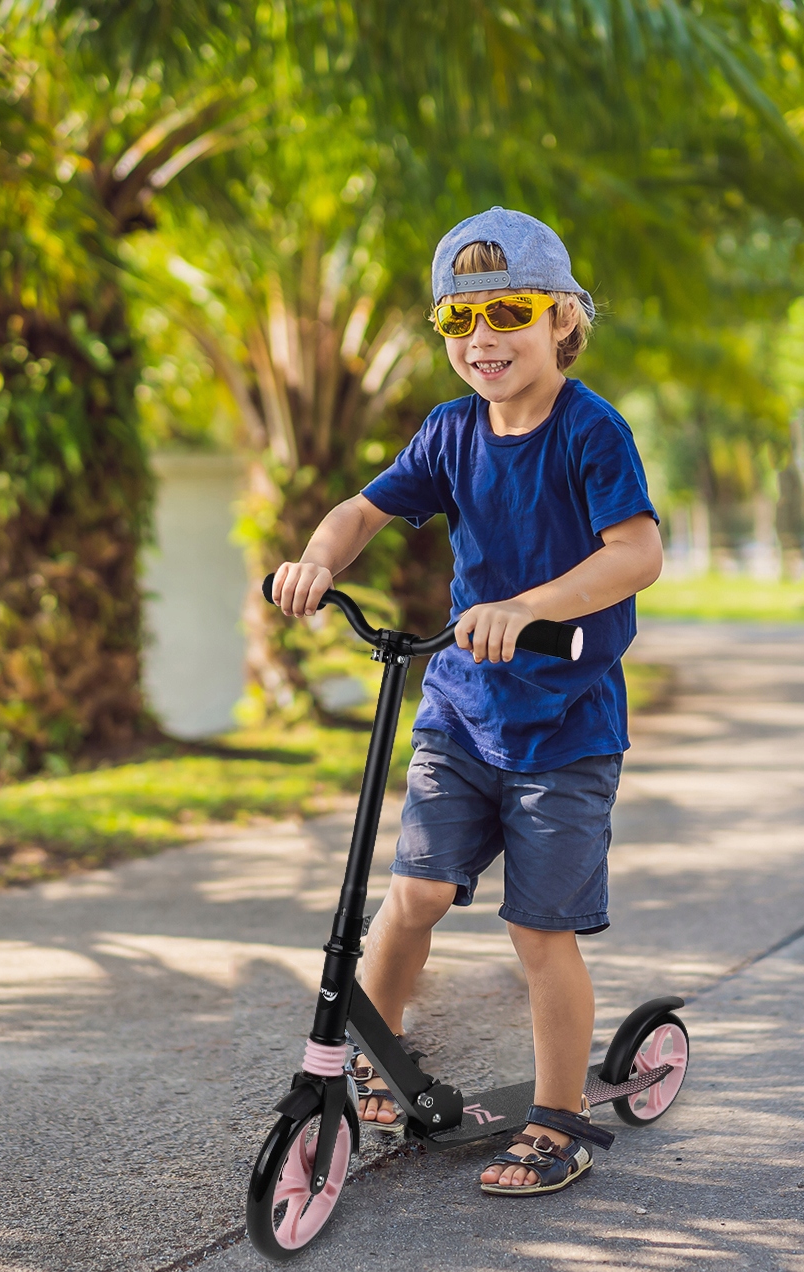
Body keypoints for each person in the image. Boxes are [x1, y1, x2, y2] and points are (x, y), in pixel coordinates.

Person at [270, 207, 662, 1196]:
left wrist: (524, 606)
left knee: (538, 928)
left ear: (561, 318)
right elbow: (363, 508)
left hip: (564, 720)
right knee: (414, 894)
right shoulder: (449, 432)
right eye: (458, 321)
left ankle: (559, 1115)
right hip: (459, 705)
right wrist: (317, 560)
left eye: (508, 312)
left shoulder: (589, 429)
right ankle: (372, 1066)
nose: (483, 339)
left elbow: (635, 551)